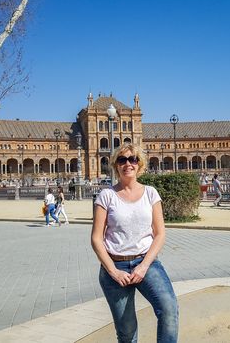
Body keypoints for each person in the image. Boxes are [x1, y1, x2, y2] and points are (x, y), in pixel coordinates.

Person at [91, 144, 178, 343]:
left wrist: (144, 266)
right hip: (115, 266)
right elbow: (96, 238)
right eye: (122, 160)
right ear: (115, 165)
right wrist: (113, 271)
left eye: (133, 159)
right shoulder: (107, 195)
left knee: (169, 309)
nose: (128, 163)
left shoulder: (150, 193)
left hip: (146, 263)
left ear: (140, 164)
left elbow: (160, 234)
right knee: (127, 331)